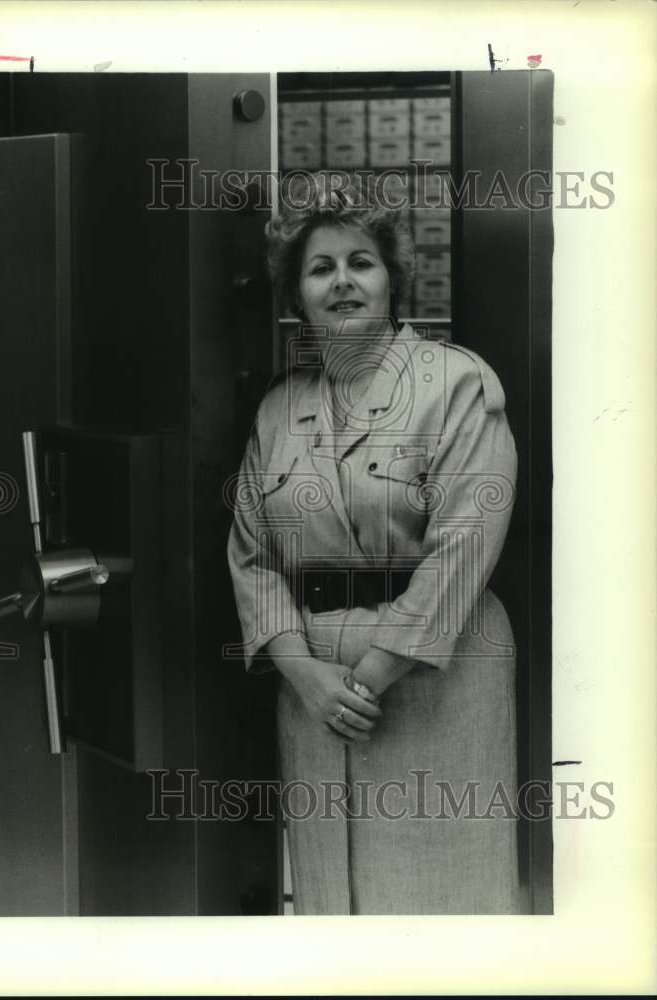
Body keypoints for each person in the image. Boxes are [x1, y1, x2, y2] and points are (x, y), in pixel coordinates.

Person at [227, 172, 519, 915]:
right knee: (336, 904)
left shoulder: (454, 384)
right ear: (298, 297)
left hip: (438, 677)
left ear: (392, 280)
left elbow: (466, 544)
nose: (343, 282)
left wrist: (372, 675)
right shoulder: (278, 409)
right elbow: (252, 555)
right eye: (320, 268)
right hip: (316, 690)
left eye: (361, 262)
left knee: (445, 906)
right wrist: (305, 674)